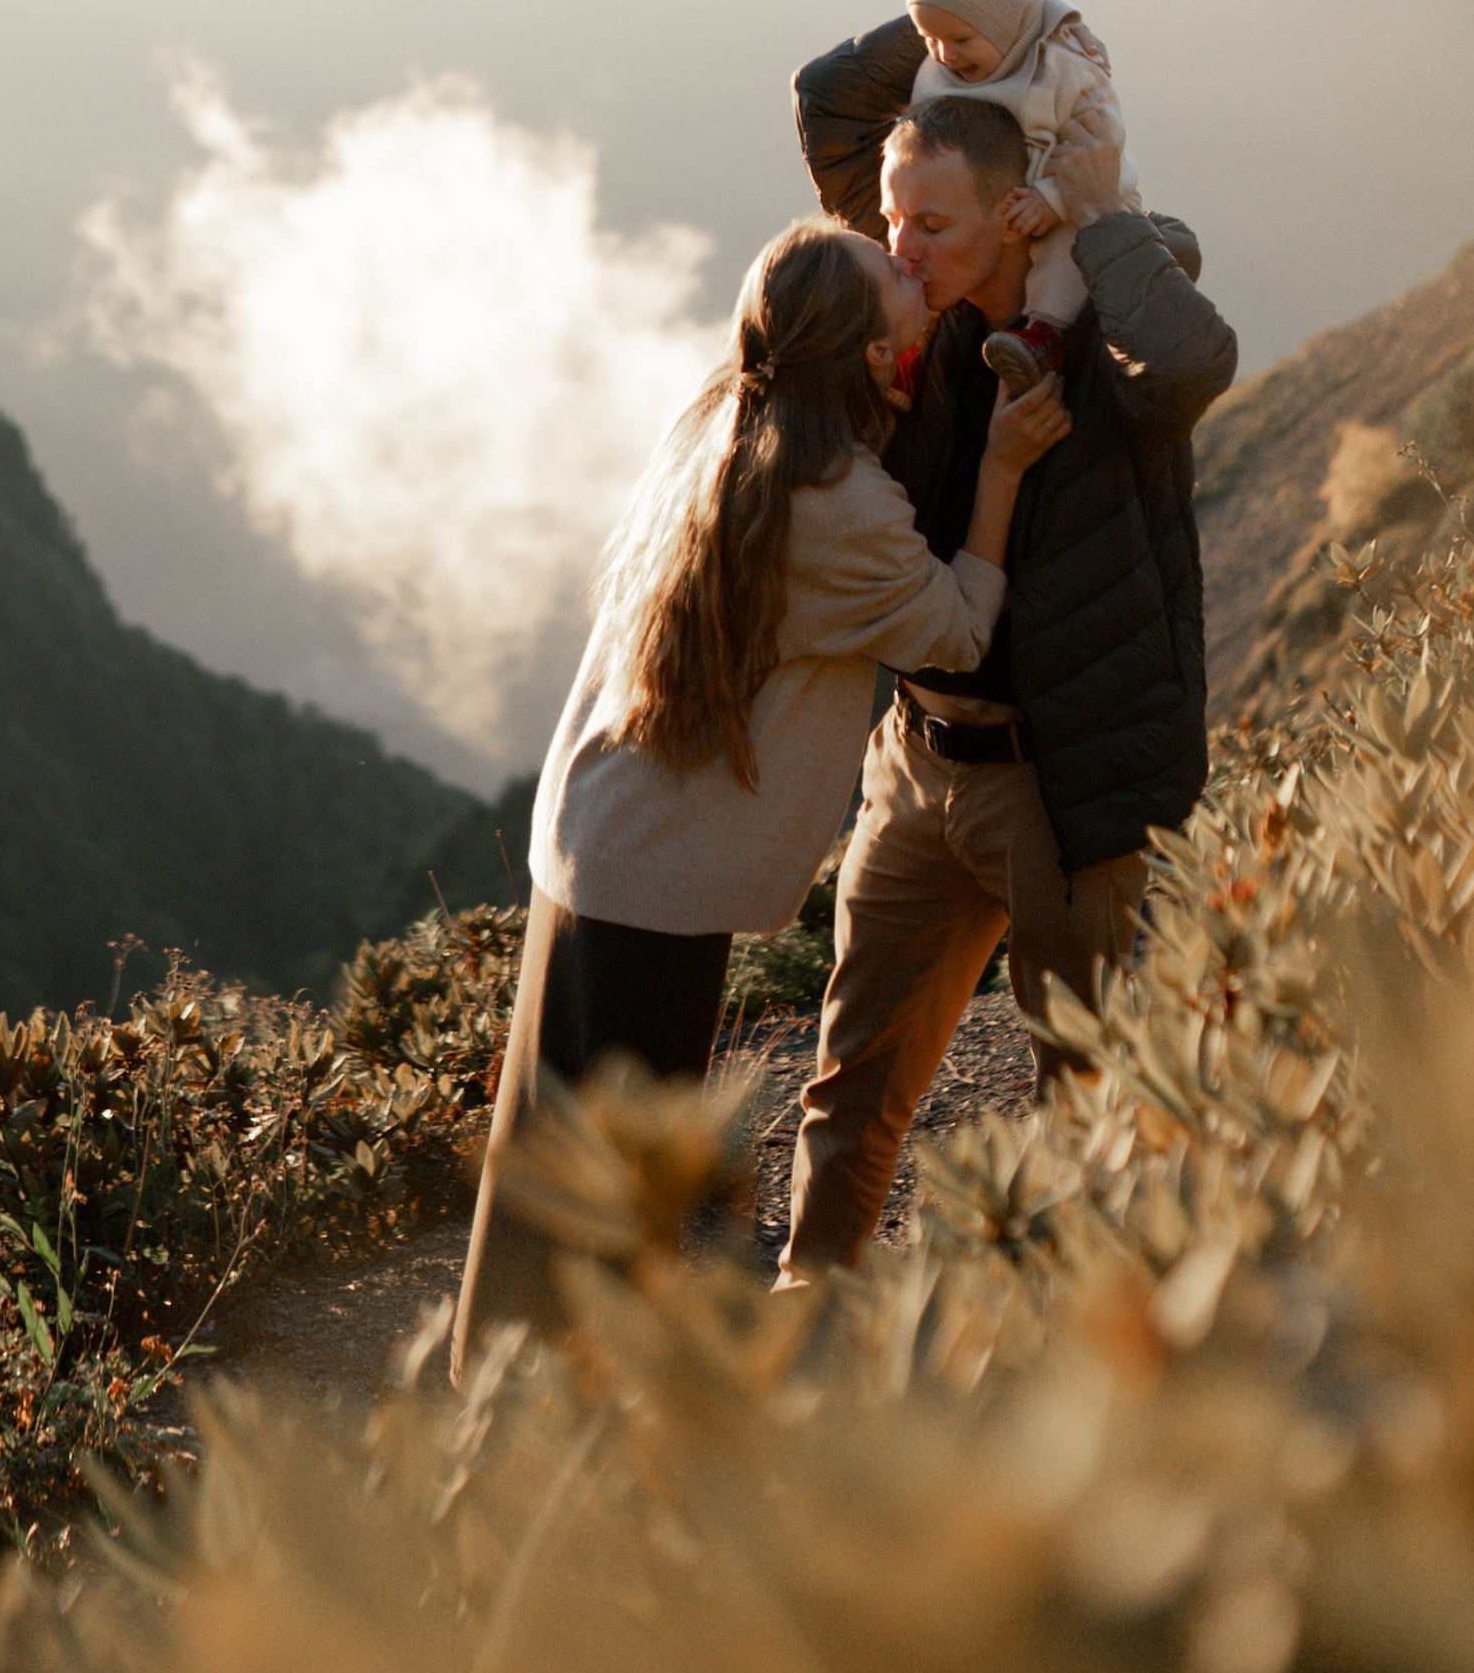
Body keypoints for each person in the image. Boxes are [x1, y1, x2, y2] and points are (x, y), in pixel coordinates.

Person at [451, 214, 1071, 1374]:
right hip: (657, 873)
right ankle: (559, 1426)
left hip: (594, 829)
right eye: (889, 264)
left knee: (545, 1150)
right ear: (855, 342)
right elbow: (955, 626)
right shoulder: (834, 498)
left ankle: (491, 1403)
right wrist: (998, 470)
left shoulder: (730, 415)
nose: (906, 255)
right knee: (618, 1178)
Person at [778, 40, 1238, 1277]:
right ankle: (800, 1319)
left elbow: (1195, 361)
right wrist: (987, 28)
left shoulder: (1099, 338)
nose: (901, 245)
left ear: (1014, 214)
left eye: (931, 222)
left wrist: (1091, 212)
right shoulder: (902, 299)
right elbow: (830, 100)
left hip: (1058, 784)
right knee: (850, 1082)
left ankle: (1068, 1363)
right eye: (891, 218)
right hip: (917, 761)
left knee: (1080, 1097)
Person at [904, 0, 1139, 395]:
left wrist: (1053, 198)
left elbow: (1106, 151)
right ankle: (902, 351)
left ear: (1011, 23)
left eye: (962, 38)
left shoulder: (1062, 69)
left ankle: (1042, 336)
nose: (945, 54)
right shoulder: (942, 65)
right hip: (997, 210)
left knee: (1067, 255)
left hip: (1076, 197)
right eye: (929, 37)